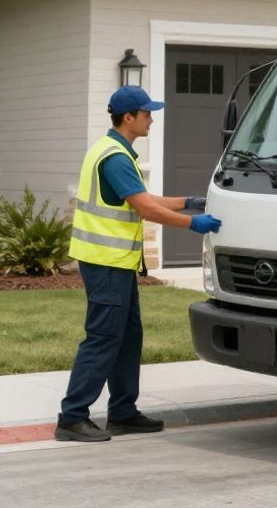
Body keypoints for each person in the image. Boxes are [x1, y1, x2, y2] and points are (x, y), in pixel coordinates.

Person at [55, 85, 223, 443]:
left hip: (115, 263)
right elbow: (145, 209)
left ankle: (123, 412)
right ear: (128, 117)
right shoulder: (114, 157)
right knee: (102, 338)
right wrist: (194, 224)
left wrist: (188, 201)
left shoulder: (114, 151)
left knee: (129, 337)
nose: (151, 119)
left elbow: (144, 198)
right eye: (147, 114)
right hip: (106, 264)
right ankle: (72, 417)